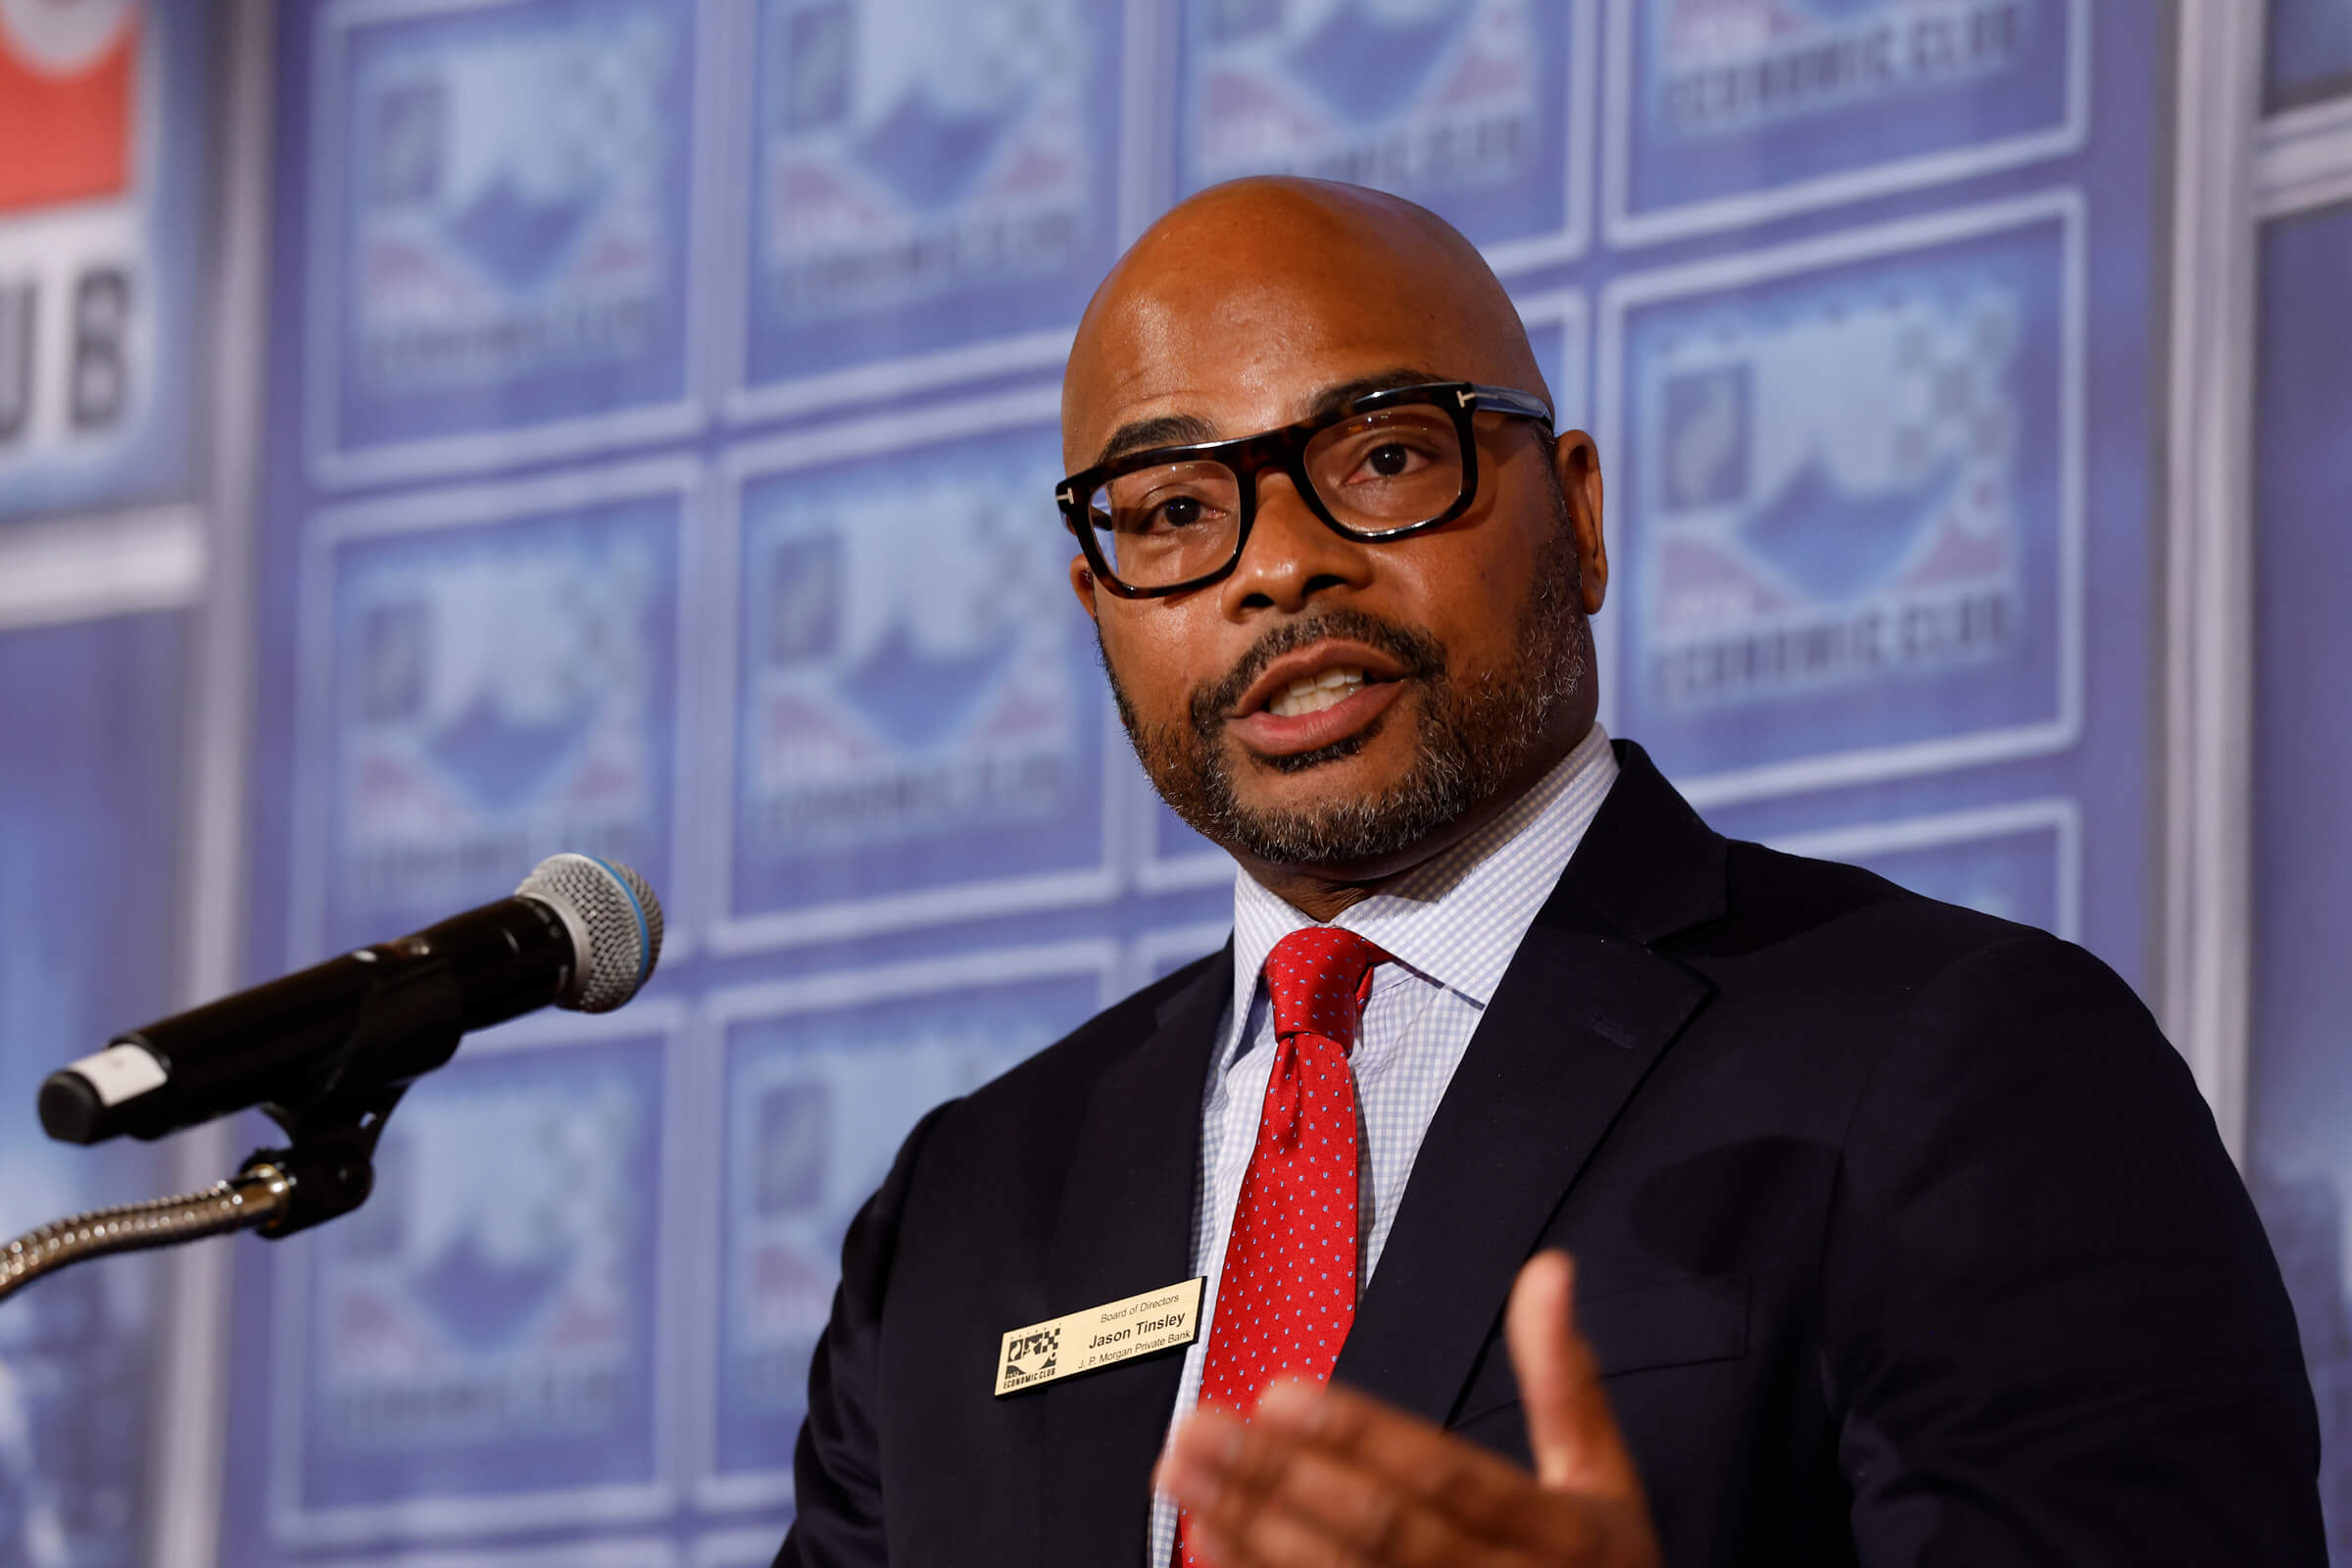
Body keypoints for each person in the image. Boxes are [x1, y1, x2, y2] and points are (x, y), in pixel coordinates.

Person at [775, 177, 2324, 1567]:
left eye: (1384, 455)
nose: (1281, 562)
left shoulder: (1965, 1061)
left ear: (1577, 514)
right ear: (1098, 609)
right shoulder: (964, 1210)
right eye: (1176, 512)